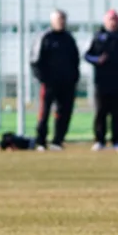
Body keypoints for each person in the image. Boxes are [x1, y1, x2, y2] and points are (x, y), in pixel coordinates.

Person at [84, 9, 118, 151]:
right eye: (110, 20)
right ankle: (99, 140)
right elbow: (87, 55)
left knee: (117, 113)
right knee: (101, 112)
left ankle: (116, 141)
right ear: (105, 21)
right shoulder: (97, 37)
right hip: (101, 82)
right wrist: (97, 60)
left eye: (115, 20)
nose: (113, 23)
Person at [30, 10, 80, 151]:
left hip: (67, 83)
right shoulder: (45, 37)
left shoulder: (69, 38)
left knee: (64, 112)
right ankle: (41, 141)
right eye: (58, 19)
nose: (61, 22)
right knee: (44, 112)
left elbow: (75, 60)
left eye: (63, 19)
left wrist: (74, 78)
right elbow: (35, 60)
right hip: (49, 83)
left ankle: (58, 141)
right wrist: (43, 78)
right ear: (52, 21)